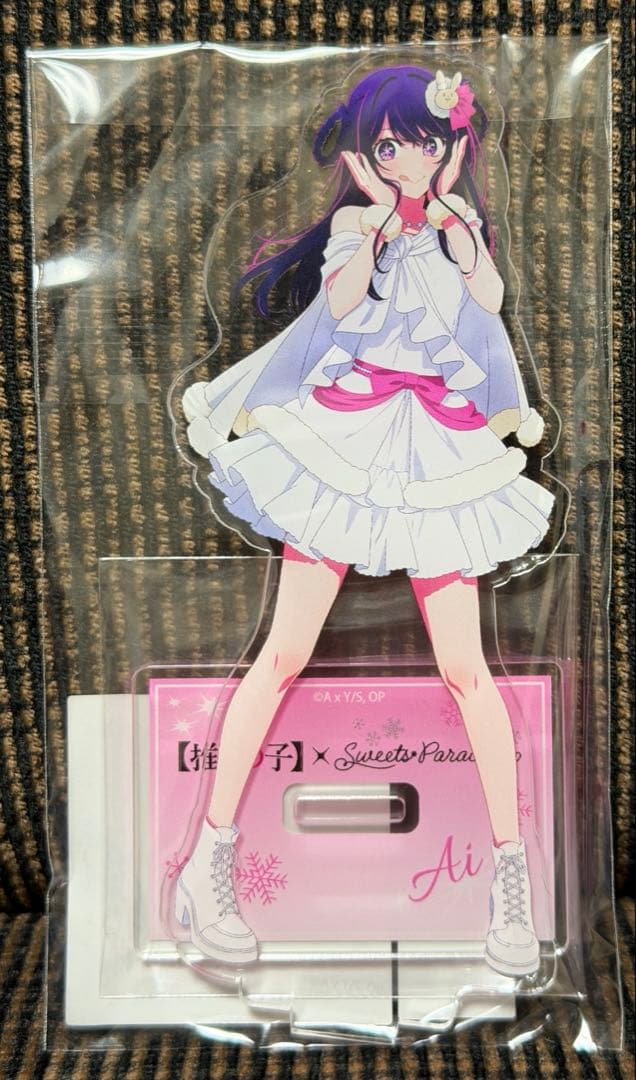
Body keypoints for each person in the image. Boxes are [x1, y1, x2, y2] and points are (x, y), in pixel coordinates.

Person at [175, 65, 554, 977]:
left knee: (467, 668)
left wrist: (456, 228)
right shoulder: (357, 228)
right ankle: (205, 861)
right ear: (369, 154)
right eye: (389, 145)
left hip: (440, 453)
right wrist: (383, 220)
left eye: (422, 143)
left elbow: (487, 308)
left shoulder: (462, 228)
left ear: (449, 147)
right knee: (283, 654)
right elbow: (338, 306)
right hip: (346, 439)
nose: (405, 159)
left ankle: (510, 878)